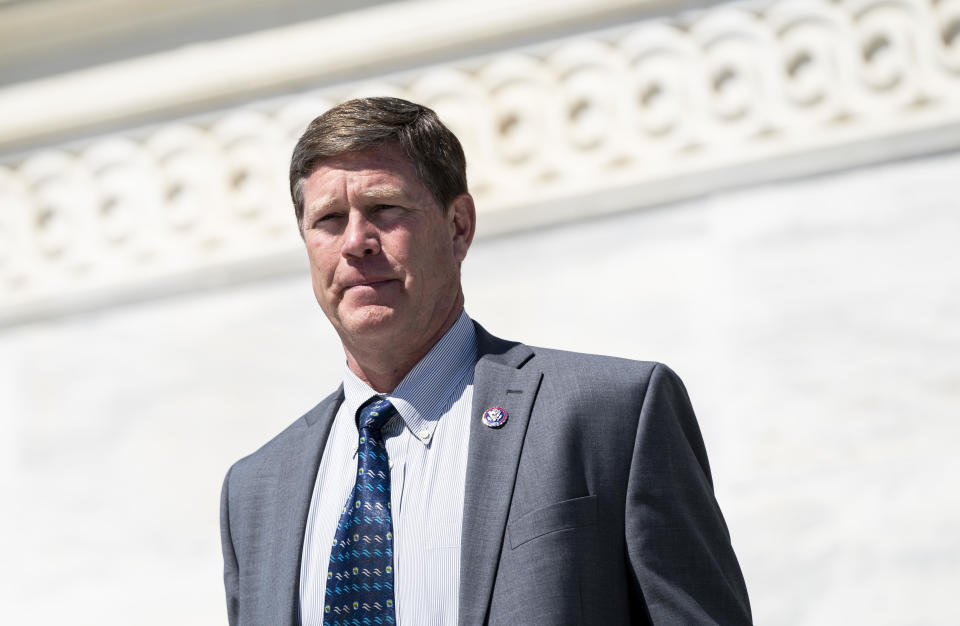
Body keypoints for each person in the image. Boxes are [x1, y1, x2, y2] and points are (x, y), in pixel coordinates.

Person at [219, 96, 752, 625]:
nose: (357, 241)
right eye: (330, 220)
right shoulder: (256, 491)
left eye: (384, 208)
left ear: (458, 226)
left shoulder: (612, 414)